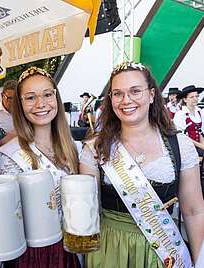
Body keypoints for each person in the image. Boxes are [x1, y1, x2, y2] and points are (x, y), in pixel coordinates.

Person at [79, 62, 204, 267]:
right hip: (111, 252)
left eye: (135, 91)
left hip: (165, 253)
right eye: (118, 93)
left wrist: (200, 262)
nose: (126, 100)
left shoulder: (180, 145)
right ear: (111, 99)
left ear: (152, 94)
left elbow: (194, 211)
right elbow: (87, 214)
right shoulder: (95, 148)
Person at [0, 66, 80, 268]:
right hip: (32, 256)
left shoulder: (75, 149)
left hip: (71, 251)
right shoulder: (8, 156)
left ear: (56, 98)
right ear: (20, 104)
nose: (41, 104)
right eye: (31, 97)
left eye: (47, 95)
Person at [173, 85, 204, 156]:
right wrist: (200, 146)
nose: (195, 99)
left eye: (196, 96)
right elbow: (182, 137)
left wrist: (202, 145)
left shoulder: (199, 112)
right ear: (185, 99)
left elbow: (200, 132)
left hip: (198, 147)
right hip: (186, 148)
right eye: (191, 97)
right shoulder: (180, 114)